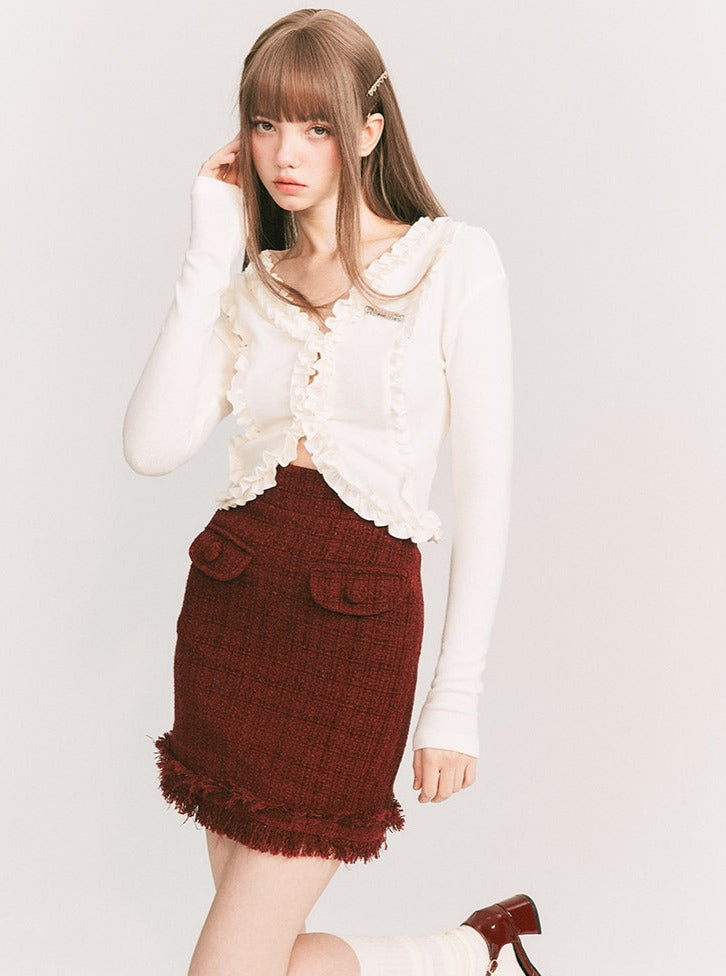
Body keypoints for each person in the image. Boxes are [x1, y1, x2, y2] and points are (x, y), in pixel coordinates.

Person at [122, 8, 546, 976]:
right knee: (260, 958)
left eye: (316, 126)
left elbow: (486, 495)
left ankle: (467, 952)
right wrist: (210, 247)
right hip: (233, 610)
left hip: (354, 627)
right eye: (265, 123)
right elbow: (151, 447)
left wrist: (454, 701)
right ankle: (475, 951)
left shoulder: (452, 261)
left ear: (368, 132)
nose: (286, 152)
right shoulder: (255, 283)